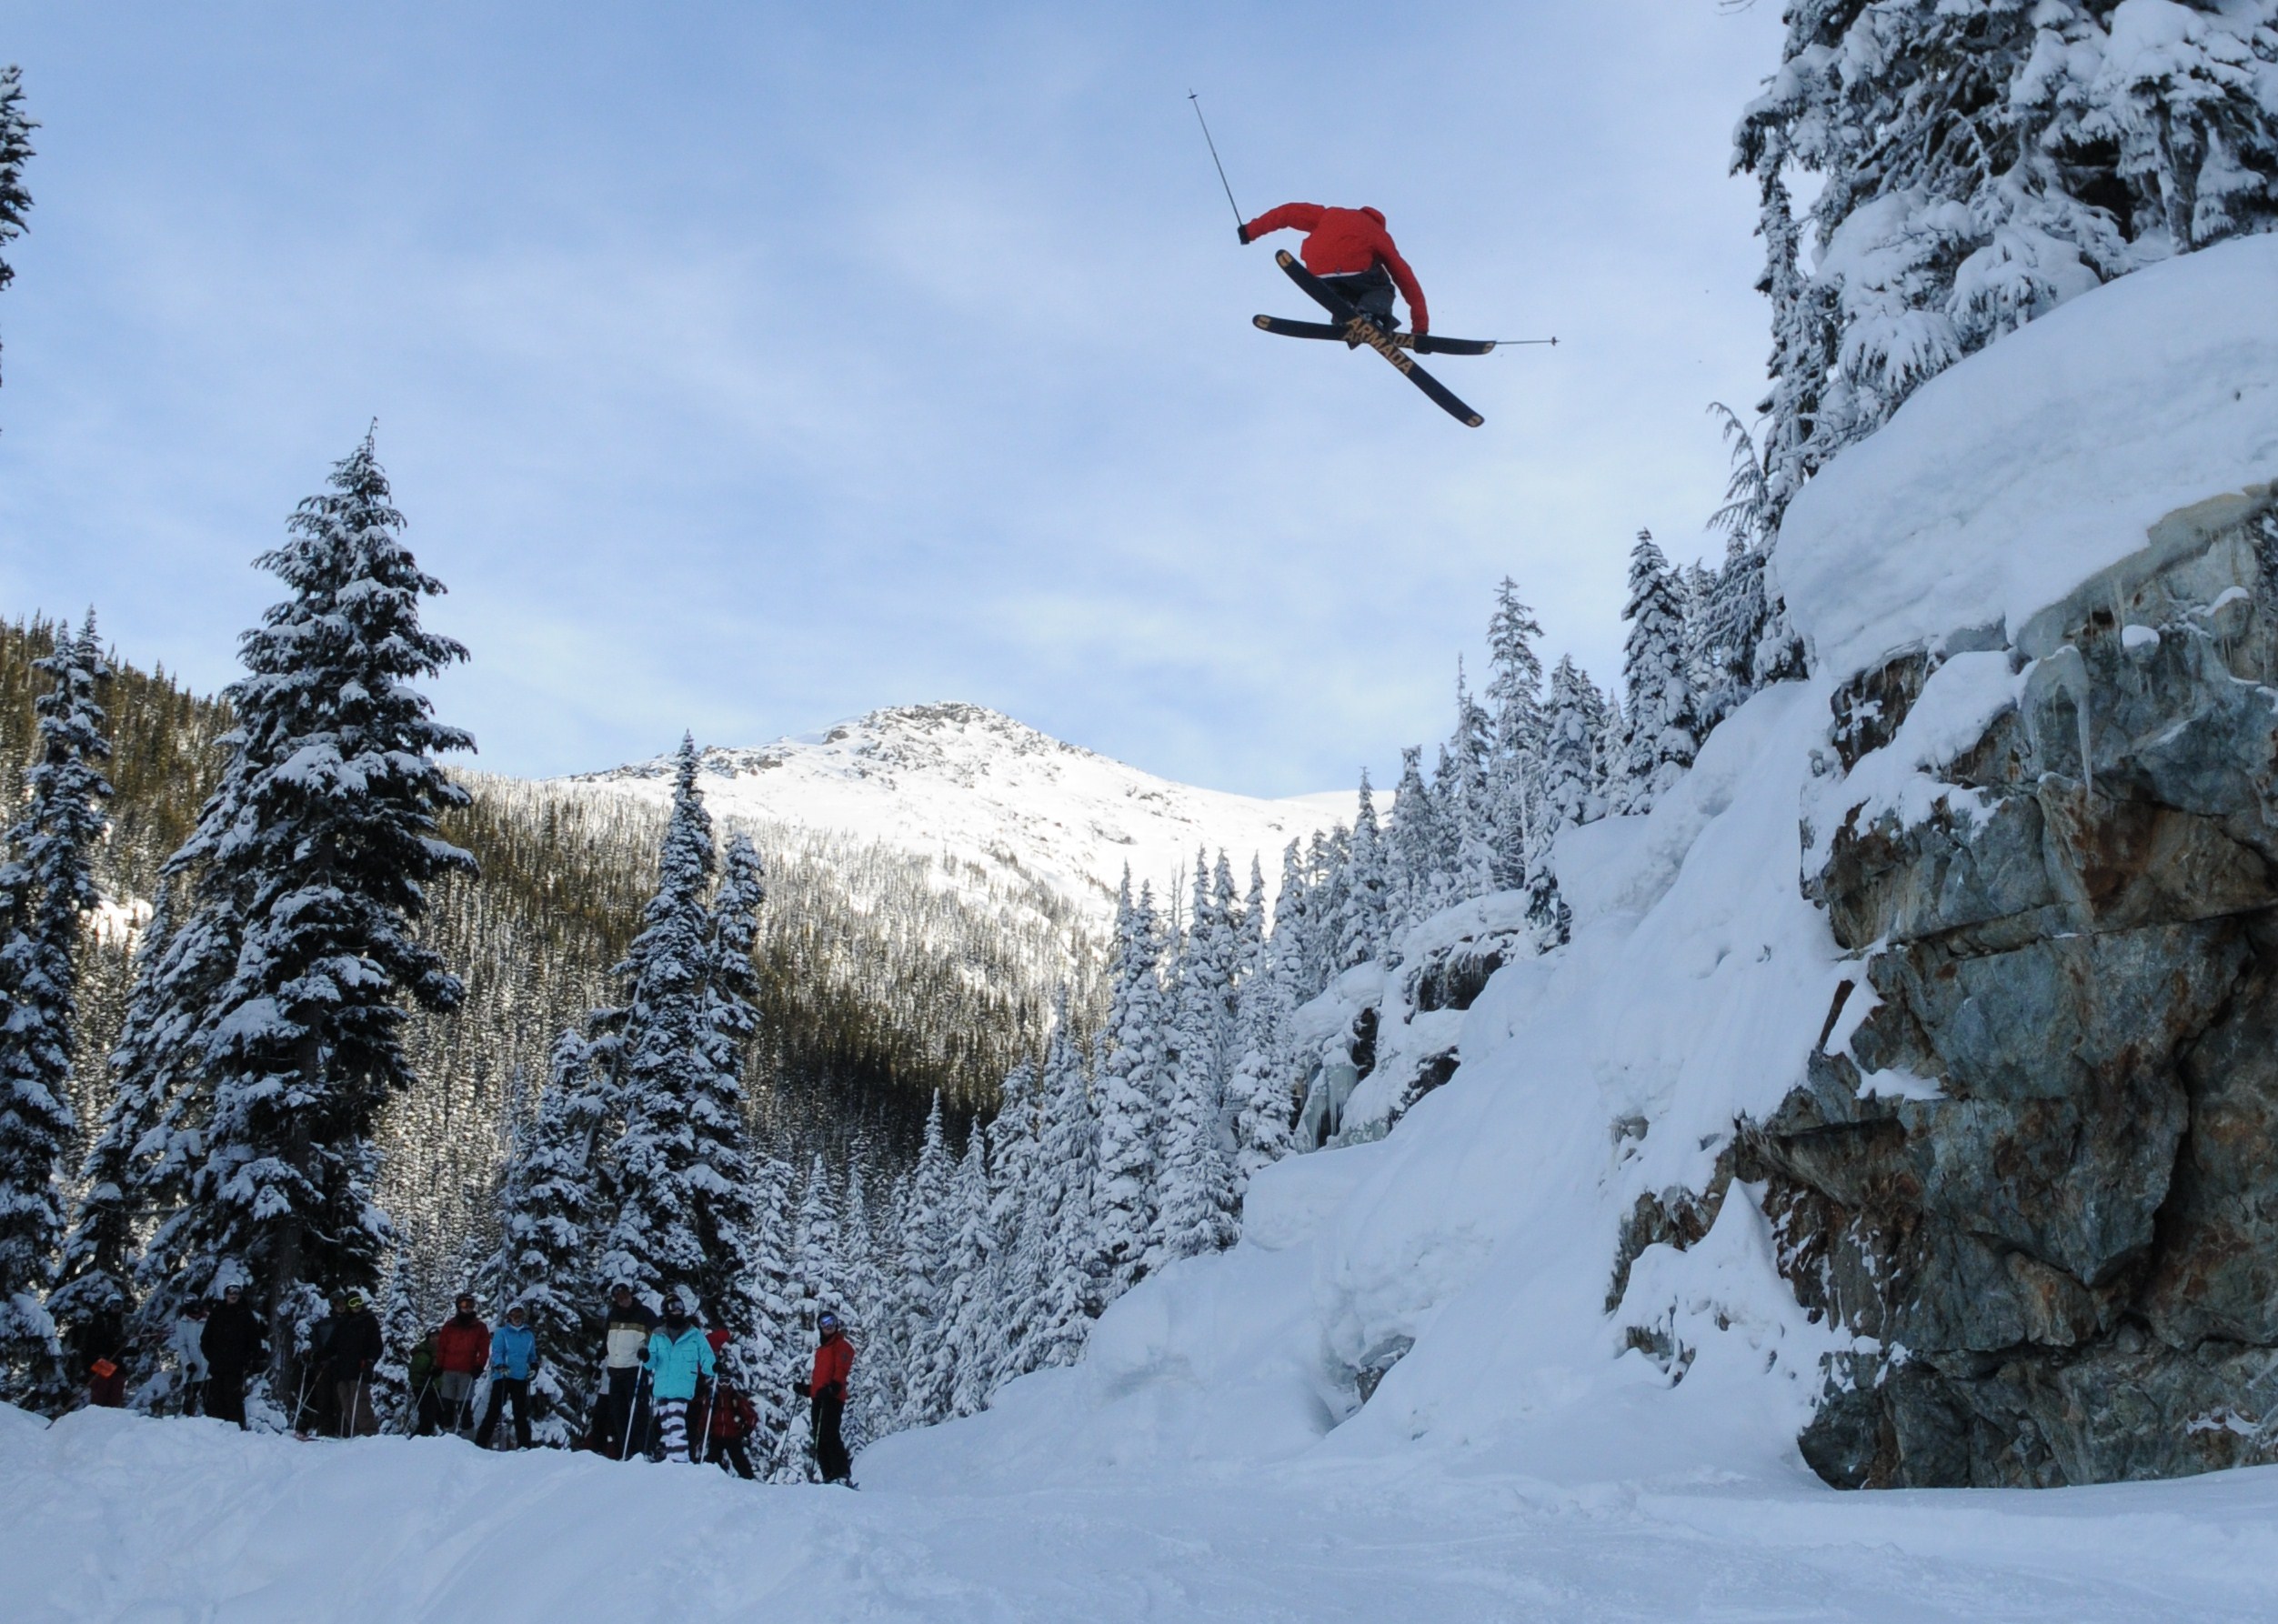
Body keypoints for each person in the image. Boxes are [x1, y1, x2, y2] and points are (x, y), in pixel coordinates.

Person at [1238, 202, 1430, 337]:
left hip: (1319, 271)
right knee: (1383, 289)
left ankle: (1345, 316)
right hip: (1356, 269)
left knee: (1344, 296)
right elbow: (1406, 279)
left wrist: (1250, 230)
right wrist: (1420, 328)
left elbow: (1288, 213)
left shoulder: (1329, 214)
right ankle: (1372, 314)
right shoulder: (1378, 233)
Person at [643, 1294, 716, 1464]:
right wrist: (646, 1357)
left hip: (682, 1384)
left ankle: (681, 1461)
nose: (677, 1310)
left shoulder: (694, 1334)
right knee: (666, 1424)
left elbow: (706, 1355)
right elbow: (651, 1362)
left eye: (679, 1306)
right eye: (673, 1306)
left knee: (676, 1421)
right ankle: (672, 1458)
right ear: (665, 1310)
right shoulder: (658, 1335)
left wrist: (712, 1367)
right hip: (662, 1386)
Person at [593, 1282, 657, 1459]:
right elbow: (609, 1339)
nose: (623, 1300)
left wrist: (648, 1352)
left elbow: (659, 1338)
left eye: (625, 1296)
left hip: (635, 1369)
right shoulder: (613, 1315)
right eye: (619, 1298)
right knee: (618, 1413)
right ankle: (626, 1451)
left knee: (639, 1412)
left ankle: (646, 1450)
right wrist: (601, 1353)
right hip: (616, 1370)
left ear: (630, 1295)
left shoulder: (645, 1314)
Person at [793, 1309, 857, 1486]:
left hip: (833, 1397)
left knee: (829, 1433)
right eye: (824, 1323)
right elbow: (820, 1378)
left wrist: (833, 1387)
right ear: (820, 1327)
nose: (829, 1326)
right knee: (819, 1437)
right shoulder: (821, 1351)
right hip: (820, 1397)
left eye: (832, 1322)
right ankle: (828, 1475)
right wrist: (808, 1390)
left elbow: (841, 1369)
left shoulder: (841, 1346)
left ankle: (841, 1473)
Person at [200, 1283, 263, 1429]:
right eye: (231, 1292)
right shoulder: (218, 1312)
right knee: (216, 1398)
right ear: (226, 1294)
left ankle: (236, 1428)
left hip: (236, 1365)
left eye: (236, 1293)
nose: (233, 1295)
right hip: (217, 1365)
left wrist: (248, 1359)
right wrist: (211, 1356)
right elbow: (205, 1339)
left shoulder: (245, 1313)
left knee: (234, 1398)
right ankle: (218, 1428)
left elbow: (254, 1339)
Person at [475, 1304, 537, 1450]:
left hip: (520, 1377)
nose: (517, 1318)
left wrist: (534, 1368)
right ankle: (480, 1444)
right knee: (494, 1410)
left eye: (520, 1315)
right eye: (514, 1315)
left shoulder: (528, 1335)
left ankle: (525, 1445)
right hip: (503, 1376)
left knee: (520, 1413)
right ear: (508, 1317)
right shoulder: (502, 1332)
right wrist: (500, 1365)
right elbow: (497, 1352)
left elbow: (532, 1356)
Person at [701, 1328, 758, 1480]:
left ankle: (750, 1481)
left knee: (739, 1460)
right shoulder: (713, 1397)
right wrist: (702, 1431)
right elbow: (704, 1415)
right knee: (712, 1461)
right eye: (722, 1381)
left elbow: (751, 1416)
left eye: (727, 1381)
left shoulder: (736, 1398)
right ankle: (712, 1481)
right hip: (716, 1435)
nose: (724, 1384)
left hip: (733, 1435)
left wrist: (746, 1430)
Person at [433, 1292, 490, 1438]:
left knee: (464, 1407)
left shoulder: (479, 1327)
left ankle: (468, 1440)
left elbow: (483, 1349)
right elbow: (442, 1347)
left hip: (467, 1371)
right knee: (447, 1406)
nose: (468, 1308)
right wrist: (438, 1365)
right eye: (465, 1305)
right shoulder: (450, 1326)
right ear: (458, 1306)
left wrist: (479, 1366)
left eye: (471, 1305)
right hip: (449, 1370)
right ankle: (448, 1437)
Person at [327, 1289, 383, 1437]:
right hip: (343, 1369)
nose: (357, 1305)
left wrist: (370, 1361)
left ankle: (369, 1432)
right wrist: (315, 1356)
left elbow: (376, 1345)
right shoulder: (343, 1323)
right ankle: (355, 1433)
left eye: (359, 1302)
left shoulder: (369, 1320)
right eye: (353, 1303)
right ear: (348, 1306)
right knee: (346, 1403)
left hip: (360, 1368)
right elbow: (331, 1346)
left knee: (360, 1402)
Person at [298, 1294, 346, 1437]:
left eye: (343, 1303)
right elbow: (316, 1344)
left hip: (342, 1366)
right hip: (324, 1366)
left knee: (340, 1400)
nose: (341, 1306)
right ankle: (326, 1431)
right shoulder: (323, 1324)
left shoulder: (350, 1322)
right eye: (338, 1303)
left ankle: (341, 1431)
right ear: (333, 1304)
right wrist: (313, 1356)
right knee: (324, 1399)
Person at [72, 1308, 128, 1409]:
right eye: (114, 1306)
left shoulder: (118, 1324)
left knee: (117, 1385)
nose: (116, 1309)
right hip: (101, 1363)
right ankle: (99, 1414)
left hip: (114, 1363)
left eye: (119, 1306)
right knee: (102, 1390)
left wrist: (125, 1350)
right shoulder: (101, 1321)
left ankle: (112, 1414)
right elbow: (95, 1343)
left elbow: (116, 1345)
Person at [171, 1301, 210, 1417]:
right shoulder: (182, 1323)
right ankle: (186, 1422)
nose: (196, 1315)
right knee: (190, 1399)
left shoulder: (208, 1320)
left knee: (210, 1400)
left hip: (208, 1368)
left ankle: (213, 1423)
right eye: (193, 1313)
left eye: (198, 1312)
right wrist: (187, 1363)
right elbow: (182, 1345)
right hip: (192, 1369)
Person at [406, 1328, 444, 1436]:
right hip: (424, 1388)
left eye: (437, 1336)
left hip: (438, 1387)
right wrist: (424, 1377)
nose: (435, 1339)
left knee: (443, 1417)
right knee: (427, 1419)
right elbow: (414, 1372)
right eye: (432, 1337)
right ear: (428, 1339)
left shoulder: (443, 1351)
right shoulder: (422, 1353)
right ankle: (417, 1440)